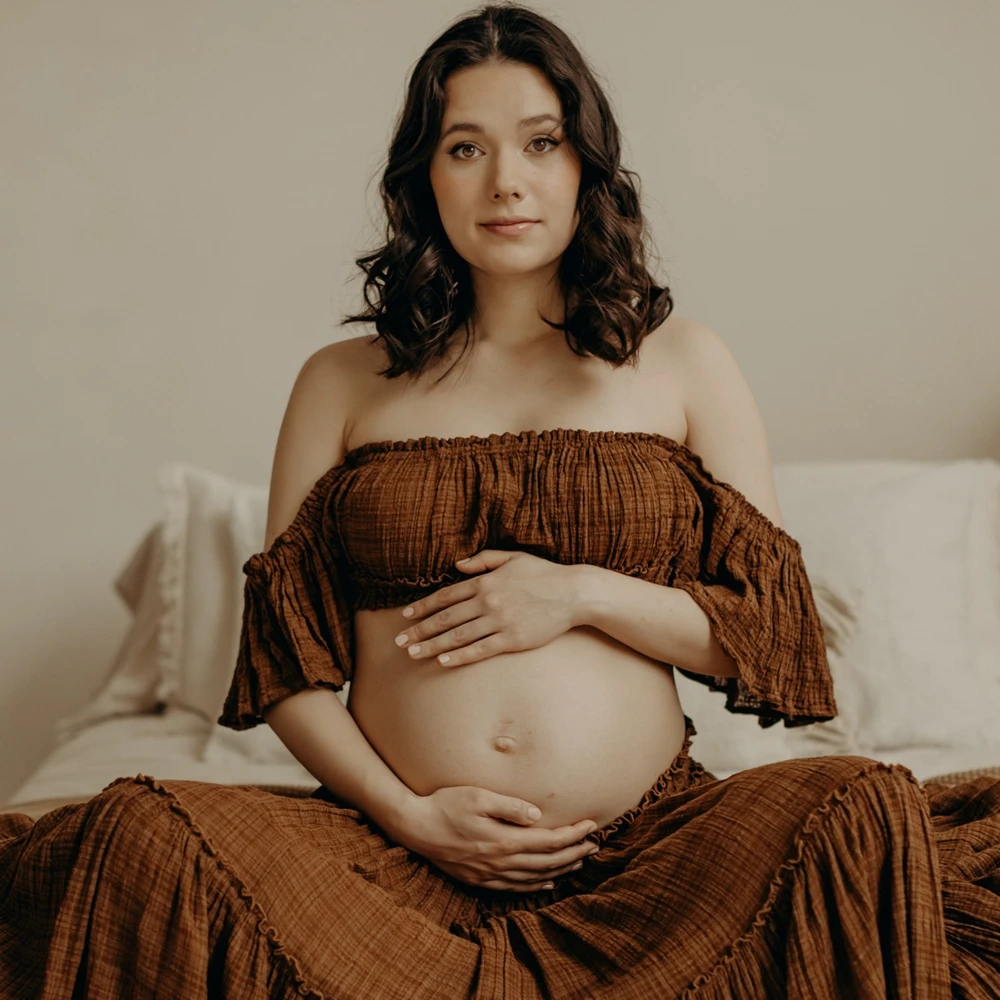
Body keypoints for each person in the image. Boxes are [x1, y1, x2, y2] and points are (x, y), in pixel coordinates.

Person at [2, 4, 999, 998]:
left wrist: (579, 595)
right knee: (135, 834)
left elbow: (773, 628)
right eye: (464, 147)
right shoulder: (342, 381)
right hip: (388, 855)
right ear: (422, 178)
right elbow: (286, 665)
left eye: (540, 142)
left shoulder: (682, 364)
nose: (505, 181)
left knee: (857, 805)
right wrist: (407, 812)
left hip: (650, 854)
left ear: (585, 167)